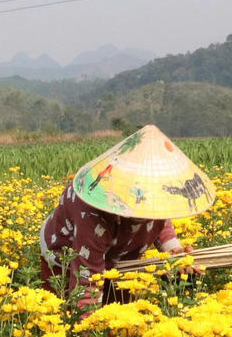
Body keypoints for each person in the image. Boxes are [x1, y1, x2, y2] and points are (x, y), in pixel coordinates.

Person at [39, 124, 216, 316]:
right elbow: (86, 286)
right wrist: (91, 335)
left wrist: (174, 252)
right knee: (62, 316)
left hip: (119, 259)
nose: (154, 210)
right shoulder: (93, 214)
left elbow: (161, 222)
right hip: (64, 256)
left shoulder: (155, 200)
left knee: (122, 317)